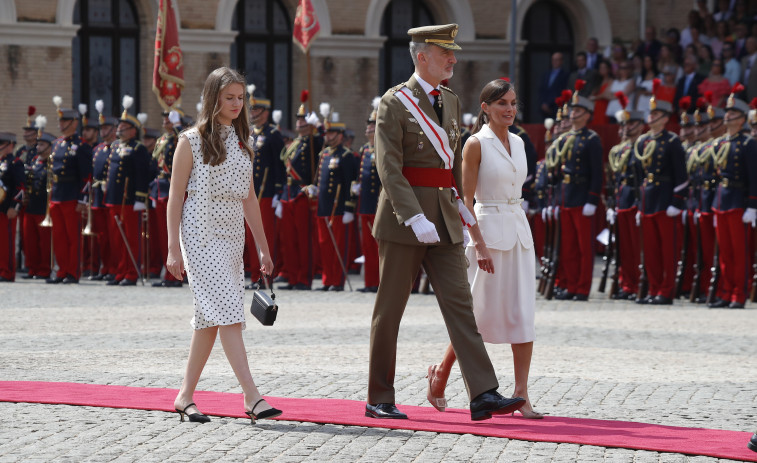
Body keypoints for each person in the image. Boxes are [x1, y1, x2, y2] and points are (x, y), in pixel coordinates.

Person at [366, 23, 524, 421]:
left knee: (460, 306)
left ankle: (483, 393)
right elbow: (389, 168)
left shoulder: (451, 101)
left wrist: (461, 205)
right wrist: (414, 216)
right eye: (445, 53)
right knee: (390, 310)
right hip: (406, 220)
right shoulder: (394, 103)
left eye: (452, 53)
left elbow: (450, 161)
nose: (453, 59)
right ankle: (379, 395)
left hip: (446, 218)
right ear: (422, 57)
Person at [166, 67, 280, 424]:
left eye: (241, 97)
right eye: (229, 97)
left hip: (232, 235)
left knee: (210, 319)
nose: (236, 104)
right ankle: (252, 397)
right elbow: (174, 196)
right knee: (229, 311)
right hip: (199, 232)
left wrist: (262, 247)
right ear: (213, 97)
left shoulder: (244, 141)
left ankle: (184, 397)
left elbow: (249, 198)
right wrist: (172, 248)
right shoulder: (190, 140)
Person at [426, 78, 541, 419]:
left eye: (514, 102)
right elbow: (464, 199)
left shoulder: (520, 143)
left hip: (518, 228)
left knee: (523, 312)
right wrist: (477, 243)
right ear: (486, 108)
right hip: (487, 228)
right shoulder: (475, 144)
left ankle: (521, 394)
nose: (510, 109)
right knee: (476, 314)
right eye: (502, 103)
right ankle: (442, 373)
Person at [634, 87, 688, 305]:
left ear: (665, 119)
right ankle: (654, 288)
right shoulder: (642, 142)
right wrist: (639, 204)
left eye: (656, 114)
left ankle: (666, 291)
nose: (651, 117)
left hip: (666, 201)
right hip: (648, 200)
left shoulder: (672, 141)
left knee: (668, 250)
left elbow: (682, 176)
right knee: (651, 251)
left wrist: (677, 201)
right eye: (651, 113)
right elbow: (638, 176)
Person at [706, 84, 757, 309]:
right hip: (722, 200)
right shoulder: (719, 144)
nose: (726, 116)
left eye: (732, 113)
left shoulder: (748, 144)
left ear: (741, 119)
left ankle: (738, 294)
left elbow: (754, 177)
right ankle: (725, 292)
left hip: (738, 201)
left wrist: (752, 206)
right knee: (725, 253)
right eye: (726, 112)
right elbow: (715, 177)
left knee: (739, 252)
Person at [305, 110, 357, 292]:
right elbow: (319, 179)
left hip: (339, 207)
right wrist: (314, 189)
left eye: (331, 133)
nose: (328, 136)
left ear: (340, 135)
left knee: (338, 247)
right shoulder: (324, 154)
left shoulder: (346, 156)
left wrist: (350, 208)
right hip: (324, 206)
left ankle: (337, 281)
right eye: (327, 133)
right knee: (325, 246)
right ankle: (327, 280)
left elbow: (352, 183)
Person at [103, 96, 150, 286]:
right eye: (119, 126)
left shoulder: (138, 148)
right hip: (114, 198)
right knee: (115, 239)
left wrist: (140, 198)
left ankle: (130, 273)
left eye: (123, 126)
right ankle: (119, 271)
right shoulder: (114, 146)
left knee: (129, 238)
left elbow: (141, 174)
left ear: (132, 130)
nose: (119, 129)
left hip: (129, 199)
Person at [47, 99, 93, 284]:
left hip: (72, 195)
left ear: (74, 123)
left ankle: (73, 272)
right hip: (57, 194)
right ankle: (61, 271)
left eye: (64, 121)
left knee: (72, 237)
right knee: (58, 237)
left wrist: (83, 200)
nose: (60, 124)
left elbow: (86, 176)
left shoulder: (81, 146)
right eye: (59, 121)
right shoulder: (56, 144)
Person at [244, 90, 285, 288]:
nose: (253, 113)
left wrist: (278, 192)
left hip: (267, 194)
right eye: (252, 109)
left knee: (265, 236)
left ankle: (267, 276)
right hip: (251, 192)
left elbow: (279, 166)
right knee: (251, 236)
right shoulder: (250, 133)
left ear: (266, 112)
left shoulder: (273, 135)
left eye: (257, 110)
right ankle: (255, 275)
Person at [606, 96, 645, 300]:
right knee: (624, 249)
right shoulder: (619, 151)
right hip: (621, 200)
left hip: (636, 200)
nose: (627, 127)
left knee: (637, 248)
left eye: (631, 123)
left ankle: (639, 283)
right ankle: (627, 284)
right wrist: (611, 205)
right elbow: (614, 179)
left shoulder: (643, 146)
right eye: (625, 124)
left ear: (640, 125)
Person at [150, 109, 185, 288]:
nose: (165, 122)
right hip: (160, 189)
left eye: (169, 119)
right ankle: (169, 272)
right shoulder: (162, 140)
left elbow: (186, 142)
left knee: (176, 235)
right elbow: (155, 165)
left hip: (175, 189)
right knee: (164, 235)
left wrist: (179, 126)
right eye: (165, 119)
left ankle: (177, 275)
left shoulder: (180, 137)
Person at [352, 98, 381, 292]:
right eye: (368, 126)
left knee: (379, 247)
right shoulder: (364, 149)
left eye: (373, 126)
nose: (369, 129)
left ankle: (380, 282)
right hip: (364, 204)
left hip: (378, 204)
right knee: (367, 247)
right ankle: (369, 282)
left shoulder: (383, 148)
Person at [21, 128, 55, 280]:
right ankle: (32, 268)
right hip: (31, 206)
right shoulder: (34, 161)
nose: (38, 147)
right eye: (38, 144)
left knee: (44, 243)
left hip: (44, 207)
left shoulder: (52, 163)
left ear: (49, 147)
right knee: (30, 241)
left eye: (41, 145)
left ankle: (44, 269)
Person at [91, 104, 118, 281]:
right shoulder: (98, 149)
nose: (103, 131)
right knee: (101, 237)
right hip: (98, 197)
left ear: (114, 130)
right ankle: (105, 267)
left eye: (106, 128)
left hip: (112, 196)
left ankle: (115, 268)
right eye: (101, 128)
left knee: (113, 236)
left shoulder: (118, 147)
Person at [0, 132, 24, 282]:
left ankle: (7, 272)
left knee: (6, 242)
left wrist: (14, 206)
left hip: (7, 207)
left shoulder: (15, 163)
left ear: (10, 145)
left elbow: (20, 186)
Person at [538, 52, 569, 118]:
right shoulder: (546, 74)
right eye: (553, 60)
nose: (555, 62)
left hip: (556, 108)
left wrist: (549, 104)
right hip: (544, 109)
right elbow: (542, 90)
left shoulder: (565, 75)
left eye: (557, 60)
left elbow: (560, 91)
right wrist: (543, 103)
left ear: (561, 61)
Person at [589, 60, 614, 125]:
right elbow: (591, 95)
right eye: (601, 68)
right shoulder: (597, 82)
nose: (602, 70)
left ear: (608, 69)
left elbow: (605, 95)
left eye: (604, 68)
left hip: (604, 108)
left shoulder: (611, 81)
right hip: (595, 109)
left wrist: (594, 97)